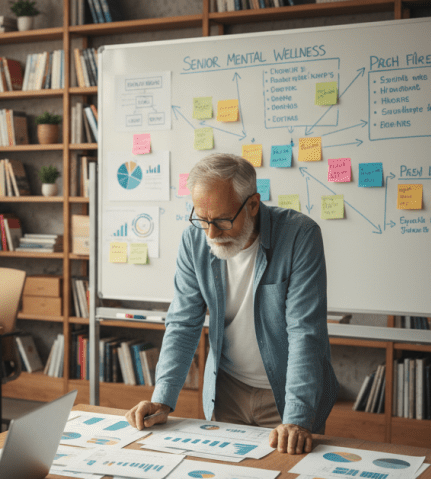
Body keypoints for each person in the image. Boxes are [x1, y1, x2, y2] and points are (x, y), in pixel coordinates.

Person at [124, 154, 338, 454]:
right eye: (203, 220)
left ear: (252, 205)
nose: (211, 233)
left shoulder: (300, 236)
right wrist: (162, 398)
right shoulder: (194, 240)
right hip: (226, 390)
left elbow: (305, 332)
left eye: (222, 220)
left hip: (288, 394)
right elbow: (183, 323)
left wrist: (297, 418)